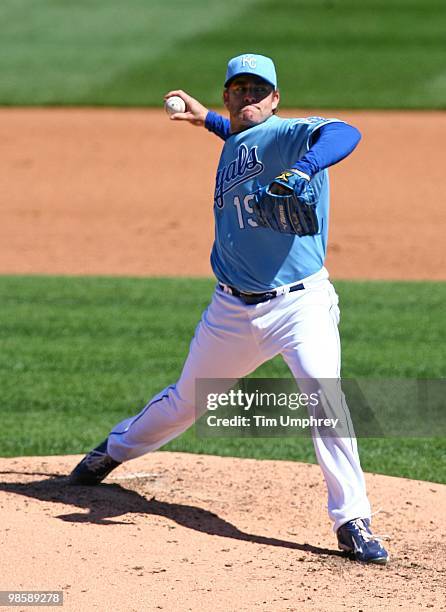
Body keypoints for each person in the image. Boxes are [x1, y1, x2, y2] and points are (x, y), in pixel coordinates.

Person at [69, 53, 389, 564]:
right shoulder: (240, 137)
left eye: (259, 90)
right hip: (230, 313)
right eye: (239, 89)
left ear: (276, 98)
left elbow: (346, 133)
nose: (249, 97)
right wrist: (204, 120)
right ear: (227, 96)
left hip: (299, 307)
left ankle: (352, 520)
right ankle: (115, 449)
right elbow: (240, 137)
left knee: (324, 400)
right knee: (186, 402)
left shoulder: (291, 134)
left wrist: (305, 169)